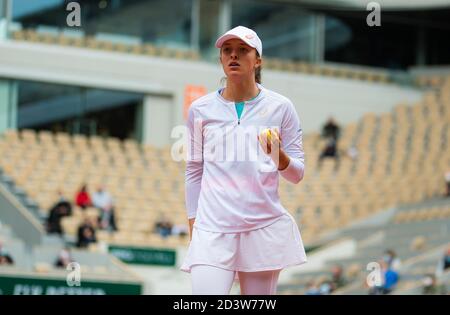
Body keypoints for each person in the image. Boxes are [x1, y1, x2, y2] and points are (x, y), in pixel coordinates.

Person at [181, 26, 307, 295]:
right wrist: (194, 226)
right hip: (211, 231)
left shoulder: (281, 107)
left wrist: (279, 156)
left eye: (242, 50)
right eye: (227, 51)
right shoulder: (200, 109)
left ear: (258, 60)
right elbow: (194, 171)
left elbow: (297, 174)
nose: (233, 56)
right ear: (221, 60)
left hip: (263, 230)